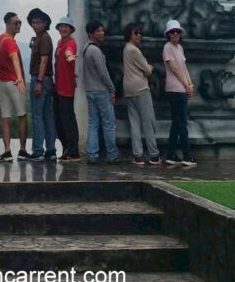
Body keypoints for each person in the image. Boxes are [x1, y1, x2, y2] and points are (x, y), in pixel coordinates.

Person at [123, 22, 160, 167]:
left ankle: (137, 156)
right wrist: (149, 66)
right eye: (136, 33)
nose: (139, 35)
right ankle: (154, 155)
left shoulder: (126, 48)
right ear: (129, 34)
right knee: (148, 122)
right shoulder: (135, 50)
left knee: (134, 123)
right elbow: (148, 70)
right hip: (140, 88)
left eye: (140, 33)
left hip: (128, 88)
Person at [81, 20, 119, 164]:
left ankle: (92, 154)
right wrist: (112, 89)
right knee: (109, 124)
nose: (102, 33)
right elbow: (103, 73)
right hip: (101, 90)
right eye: (98, 31)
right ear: (91, 33)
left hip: (90, 90)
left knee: (93, 123)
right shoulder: (95, 50)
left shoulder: (86, 48)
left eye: (102, 30)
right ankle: (112, 155)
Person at [162, 19, 197, 169]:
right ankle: (186, 155)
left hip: (181, 88)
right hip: (174, 89)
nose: (176, 33)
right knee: (182, 123)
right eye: (173, 32)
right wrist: (185, 84)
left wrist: (189, 84)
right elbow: (174, 69)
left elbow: (184, 68)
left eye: (177, 31)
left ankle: (171, 155)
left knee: (176, 123)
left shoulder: (179, 48)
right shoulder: (167, 47)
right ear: (168, 34)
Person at [0, 12, 28, 160]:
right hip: (14, 82)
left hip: (2, 82)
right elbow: (14, 59)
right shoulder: (10, 42)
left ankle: (7, 150)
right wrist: (20, 79)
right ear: (7, 24)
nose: (18, 25)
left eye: (20, 22)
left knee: (5, 116)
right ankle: (22, 150)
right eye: (15, 23)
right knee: (22, 115)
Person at [27, 7, 56, 160]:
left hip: (41, 79)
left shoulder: (44, 38)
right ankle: (51, 150)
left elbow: (44, 61)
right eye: (33, 22)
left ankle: (38, 150)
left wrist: (38, 81)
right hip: (46, 80)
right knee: (47, 115)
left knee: (37, 116)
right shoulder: (40, 38)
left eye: (38, 22)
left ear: (45, 23)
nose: (35, 25)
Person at [54, 16, 79, 161]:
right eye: (61, 26)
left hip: (67, 87)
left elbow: (69, 51)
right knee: (59, 121)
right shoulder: (59, 42)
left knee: (68, 120)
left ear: (70, 30)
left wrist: (70, 56)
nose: (63, 29)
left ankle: (73, 151)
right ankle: (66, 148)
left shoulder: (71, 43)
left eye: (66, 27)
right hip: (58, 86)